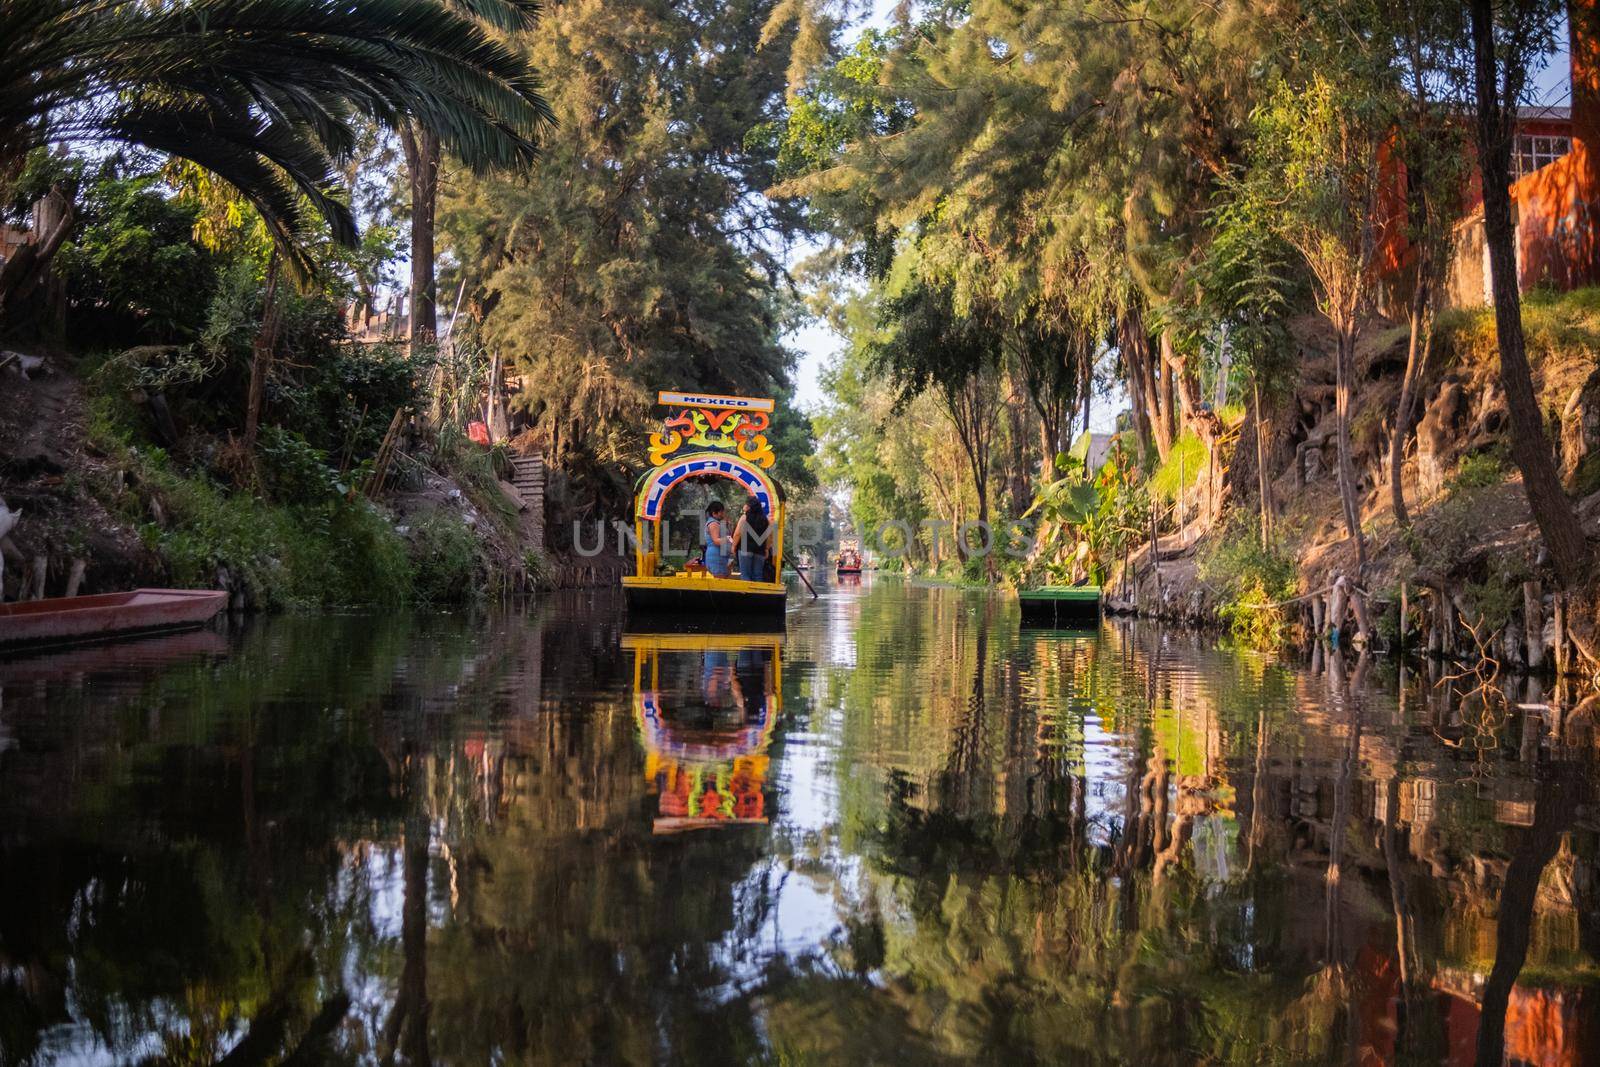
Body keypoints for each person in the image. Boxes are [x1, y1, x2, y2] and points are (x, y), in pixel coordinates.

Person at [732, 495, 771, 582]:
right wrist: (767, 549)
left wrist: (734, 546)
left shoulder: (744, 517)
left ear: (749, 506)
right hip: (760, 551)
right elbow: (769, 536)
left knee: (745, 575)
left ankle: (747, 595)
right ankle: (758, 594)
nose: (744, 506)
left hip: (745, 549)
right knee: (758, 575)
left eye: (745, 504)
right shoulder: (765, 520)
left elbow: (737, 534)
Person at [703, 500, 732, 577]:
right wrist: (728, 539)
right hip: (717, 556)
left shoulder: (718, 522)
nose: (723, 514)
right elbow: (716, 541)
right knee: (720, 582)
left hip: (721, 556)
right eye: (721, 512)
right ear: (714, 513)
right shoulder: (713, 524)